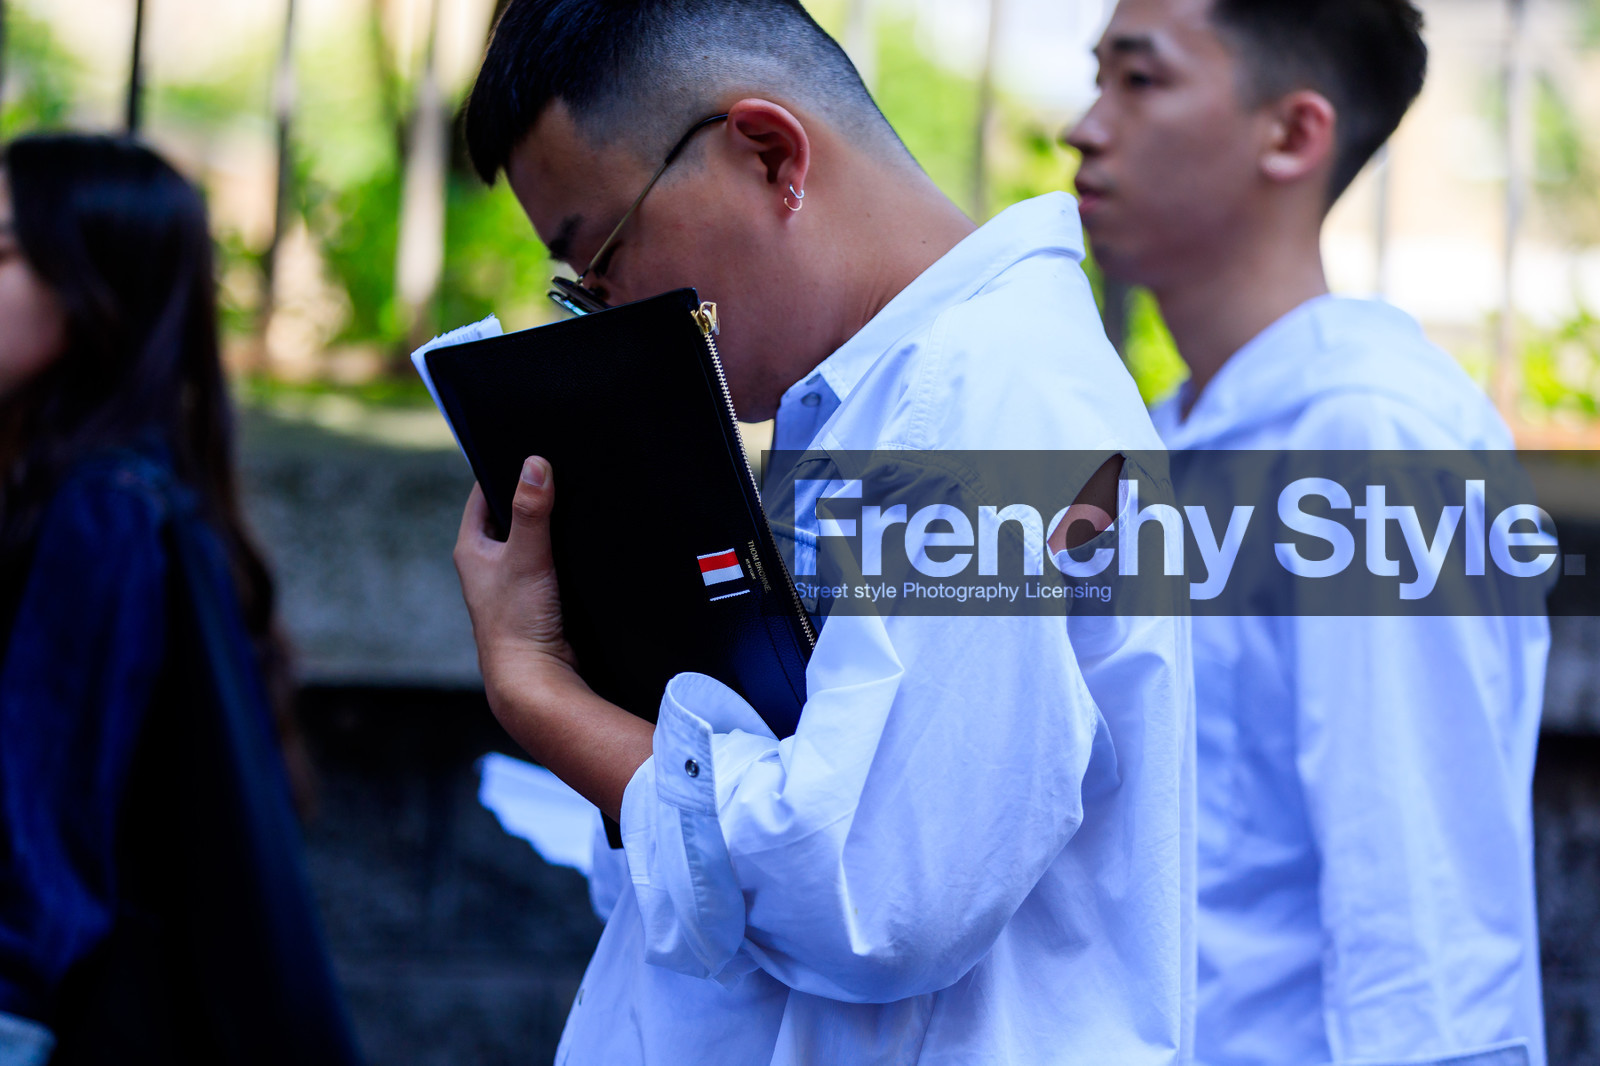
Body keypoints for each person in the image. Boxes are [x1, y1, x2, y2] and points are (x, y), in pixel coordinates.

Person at [450, 1, 1195, 1062]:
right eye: (584, 292)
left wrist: (540, 688)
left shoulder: (993, 400)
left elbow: (872, 891)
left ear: (768, 155)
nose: (607, 317)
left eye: (605, 257)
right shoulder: (865, 405)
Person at [1067, 1, 1548, 1063]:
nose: (1084, 126)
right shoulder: (1163, 439)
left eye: (1138, 82)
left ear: (1291, 134)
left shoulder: (1367, 442)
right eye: (1095, 77)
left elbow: (1422, 934)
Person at [0, 134, 360, 1065]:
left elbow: (41, 851)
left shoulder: (103, 513)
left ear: (93, 291)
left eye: (3, 250)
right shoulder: (121, 494)